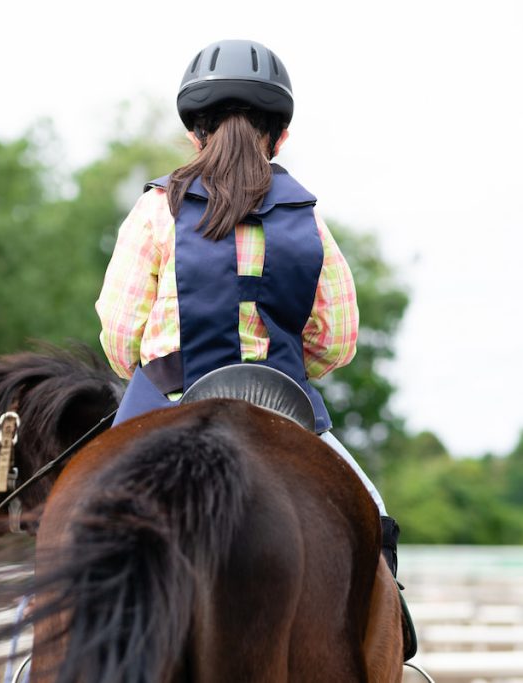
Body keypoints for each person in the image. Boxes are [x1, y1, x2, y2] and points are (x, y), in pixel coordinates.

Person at [95, 39, 400, 578]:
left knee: (75, 533)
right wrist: (275, 359)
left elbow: (121, 337)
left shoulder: (154, 209)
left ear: (195, 133)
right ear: (280, 136)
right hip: (281, 411)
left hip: (166, 406)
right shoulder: (309, 220)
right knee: (373, 523)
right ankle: (396, 653)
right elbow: (337, 340)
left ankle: (37, 665)